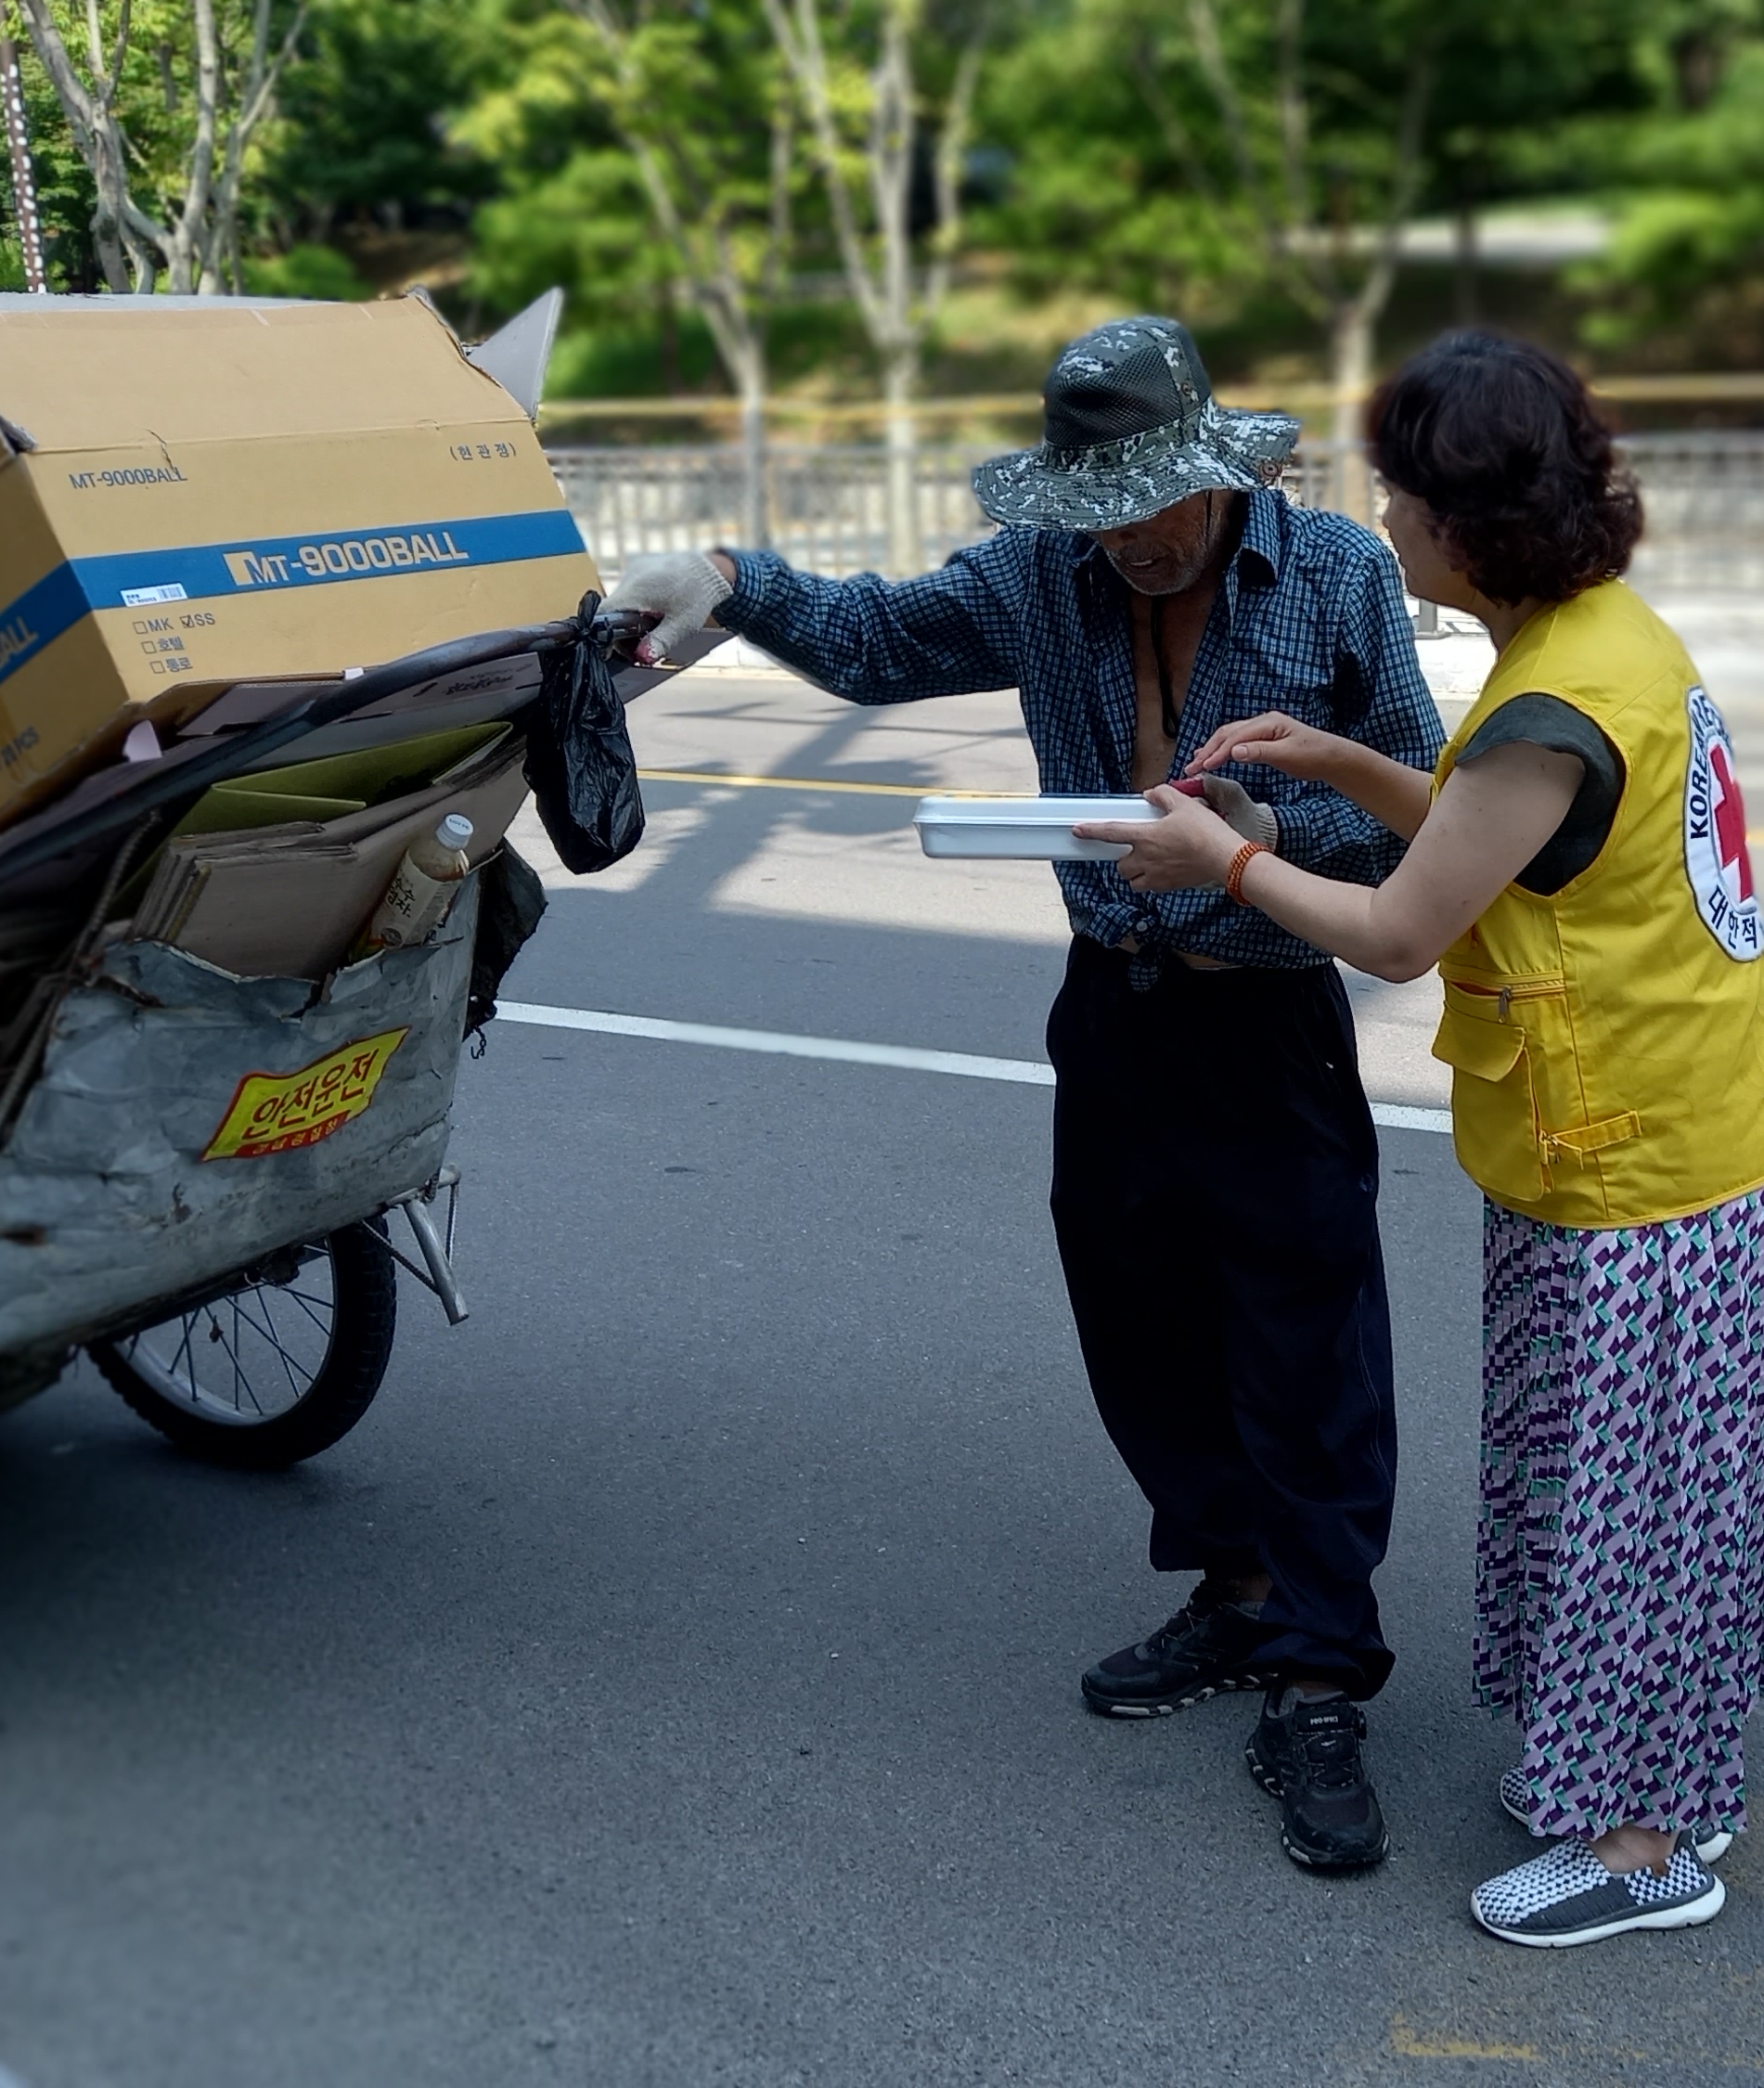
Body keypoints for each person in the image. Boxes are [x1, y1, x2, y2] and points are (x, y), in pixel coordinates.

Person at [599, 317, 1445, 1876]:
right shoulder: (1039, 577)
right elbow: (874, 638)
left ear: (1215, 471)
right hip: (1112, 1008)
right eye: (1100, 507)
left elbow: (1416, 802)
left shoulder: (1329, 572)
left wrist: (1277, 833)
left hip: (1265, 1012)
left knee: (1306, 1340)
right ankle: (1238, 1592)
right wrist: (723, 579)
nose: (1133, 538)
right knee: (1140, 1318)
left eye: (1158, 504)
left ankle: (1325, 1670)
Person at [1079, 329, 1764, 1948]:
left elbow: (1408, 930)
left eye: (1404, 492)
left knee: (1638, 1520)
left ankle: (1646, 1848)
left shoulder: (1550, 700)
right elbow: (1513, 842)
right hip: (1677, 1145)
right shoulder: (1594, 641)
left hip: (1638, 1179)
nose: (1386, 516)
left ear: (1466, 521)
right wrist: (1345, 756)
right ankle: (1658, 1778)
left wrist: (1223, 861)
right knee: (1644, 1501)